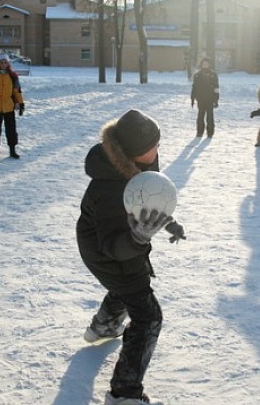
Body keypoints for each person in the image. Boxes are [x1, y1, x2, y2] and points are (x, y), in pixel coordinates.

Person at [76, 109, 186, 405]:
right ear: (136, 152)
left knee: (130, 285)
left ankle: (103, 326)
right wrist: (138, 238)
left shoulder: (139, 162)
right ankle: (124, 392)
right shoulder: (108, 188)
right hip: (104, 252)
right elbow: (112, 247)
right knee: (149, 316)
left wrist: (167, 221)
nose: (159, 149)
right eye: (154, 145)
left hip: (122, 244)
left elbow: (149, 198)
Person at [190, 57, 220, 138]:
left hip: (210, 99)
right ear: (201, 64)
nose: (205, 65)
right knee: (200, 116)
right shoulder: (197, 75)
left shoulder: (213, 75)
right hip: (200, 99)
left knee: (210, 116)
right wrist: (192, 98)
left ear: (209, 64)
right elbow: (194, 87)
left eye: (206, 64)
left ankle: (210, 133)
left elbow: (216, 87)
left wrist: (216, 100)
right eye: (203, 63)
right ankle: (199, 132)